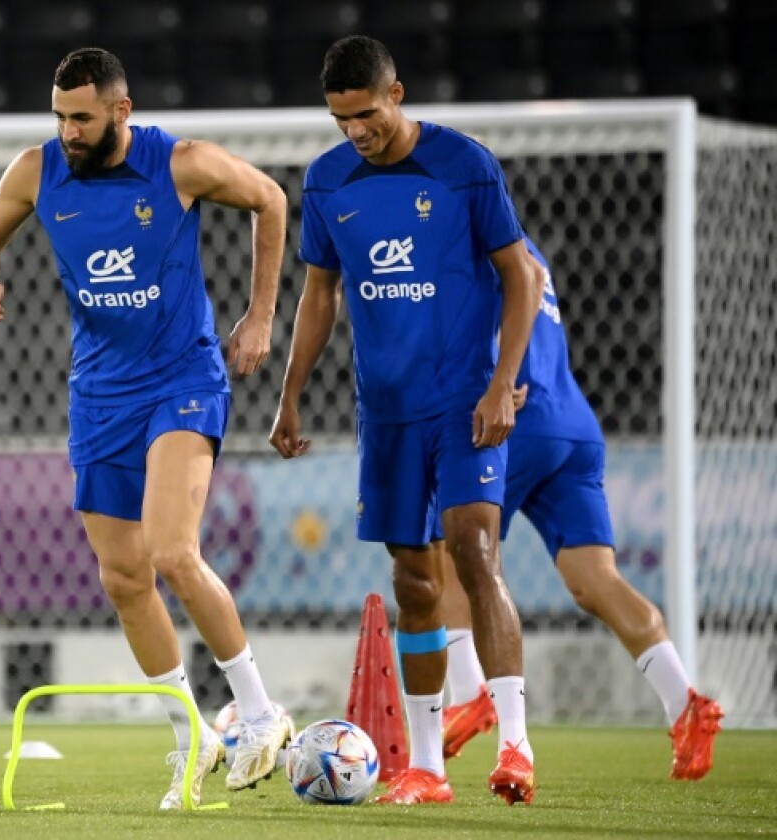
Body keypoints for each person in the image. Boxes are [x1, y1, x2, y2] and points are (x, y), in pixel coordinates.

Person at [0, 47, 291, 810]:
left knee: (174, 551)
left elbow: (271, 199)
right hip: (99, 395)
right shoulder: (36, 172)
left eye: (80, 117)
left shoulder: (180, 163)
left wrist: (261, 313)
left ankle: (258, 712)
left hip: (182, 380)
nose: (67, 130)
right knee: (123, 576)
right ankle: (192, 740)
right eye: (58, 116)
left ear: (120, 110)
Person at [270, 35, 541, 805]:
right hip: (384, 412)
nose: (355, 131)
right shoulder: (327, 183)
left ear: (396, 92)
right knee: (413, 582)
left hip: (463, 401)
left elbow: (518, 274)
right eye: (339, 119)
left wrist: (502, 382)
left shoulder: (464, 165)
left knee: (474, 547)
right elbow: (320, 294)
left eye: (364, 114)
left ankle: (516, 747)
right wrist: (290, 395)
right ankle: (426, 765)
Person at [438, 237, 724, 780]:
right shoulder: (527, 242)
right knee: (595, 580)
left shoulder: (476, 234)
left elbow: (517, 286)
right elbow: (531, 280)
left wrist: (501, 373)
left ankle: (470, 692)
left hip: (521, 420)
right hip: (573, 423)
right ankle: (685, 704)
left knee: (453, 551)